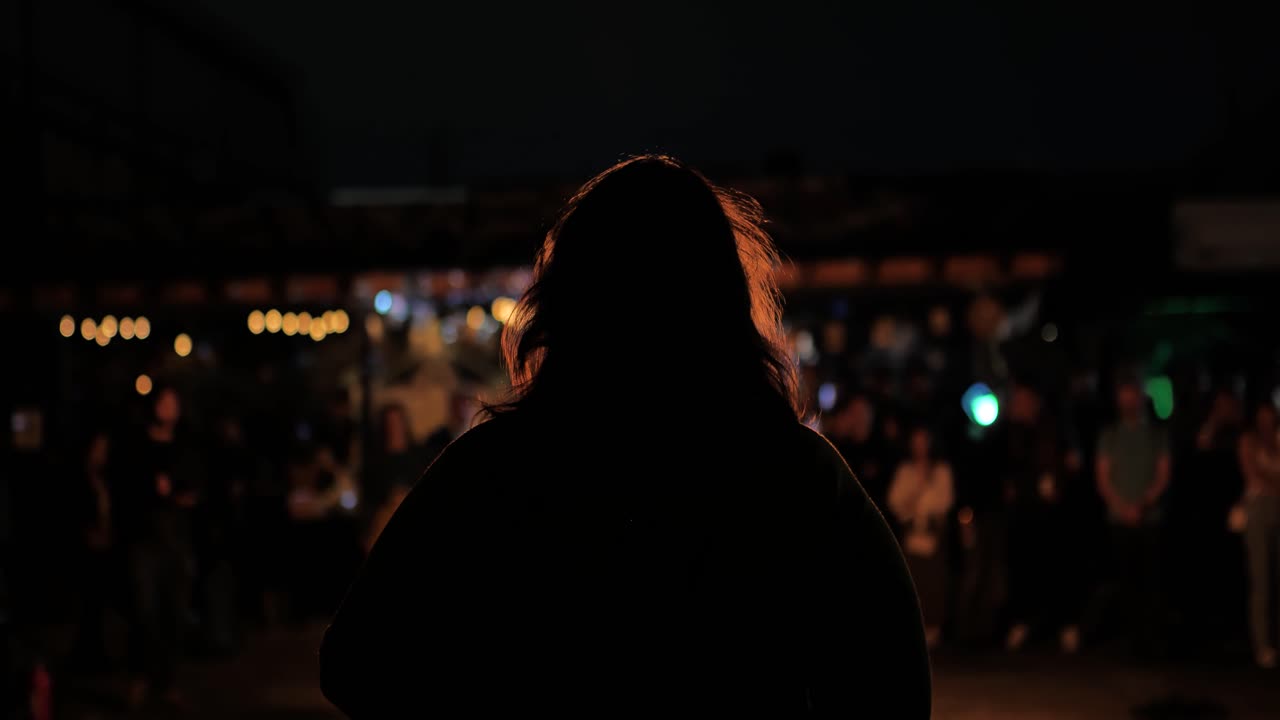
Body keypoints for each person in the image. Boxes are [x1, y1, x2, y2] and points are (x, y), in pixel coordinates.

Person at [320, 155, 931, 716]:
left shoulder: (494, 472)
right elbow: (894, 687)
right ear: (723, 301)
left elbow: (357, 662)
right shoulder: (796, 479)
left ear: (568, 301)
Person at [112, 386, 199, 709]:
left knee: (174, 612)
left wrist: (174, 490)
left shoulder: (184, 445)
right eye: (163, 402)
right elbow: (125, 485)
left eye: (173, 402)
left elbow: (193, 488)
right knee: (144, 611)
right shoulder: (136, 445)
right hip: (144, 538)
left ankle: (167, 681)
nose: (168, 408)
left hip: (175, 537)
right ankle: (141, 676)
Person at [1002, 384, 1080, 654]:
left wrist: (1058, 480)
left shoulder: (1054, 429)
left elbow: (1072, 463)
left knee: (1057, 570)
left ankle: (1066, 625)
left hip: (1053, 516)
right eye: (1016, 400)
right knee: (1025, 571)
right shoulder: (1010, 433)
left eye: (1024, 399)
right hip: (1023, 516)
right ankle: (1023, 623)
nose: (1019, 405)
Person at [1096, 377, 1171, 656]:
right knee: (1126, 581)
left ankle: (1152, 640)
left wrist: (1144, 504)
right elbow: (1103, 478)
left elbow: (1163, 474)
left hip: (1150, 520)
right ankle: (1129, 640)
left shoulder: (1155, 435)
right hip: (1120, 520)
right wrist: (1123, 507)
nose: (1128, 402)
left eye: (1132, 396)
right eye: (1123, 396)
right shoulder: (1111, 435)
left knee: (1151, 581)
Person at [887, 426, 954, 649]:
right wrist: (912, 502)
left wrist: (925, 505)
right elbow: (895, 500)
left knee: (933, 581)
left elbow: (944, 500)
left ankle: (933, 628)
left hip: (933, 536)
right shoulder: (906, 471)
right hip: (911, 535)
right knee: (914, 581)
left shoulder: (941, 470)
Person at [1237, 401, 1280, 669]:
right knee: (1261, 578)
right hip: (1257, 512)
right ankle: (1262, 644)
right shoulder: (1248, 441)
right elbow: (1253, 476)